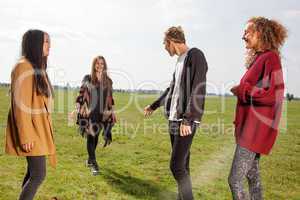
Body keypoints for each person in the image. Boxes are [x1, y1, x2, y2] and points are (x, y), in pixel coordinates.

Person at [144, 26, 208, 200]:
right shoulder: (179, 60)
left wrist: (187, 120)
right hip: (174, 120)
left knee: (176, 166)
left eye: (165, 44)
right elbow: (171, 89)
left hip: (185, 121)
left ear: (171, 41)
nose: (165, 48)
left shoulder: (195, 55)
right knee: (183, 166)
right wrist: (154, 105)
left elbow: (198, 88)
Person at [228, 17, 287, 200]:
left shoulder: (271, 58)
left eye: (247, 32)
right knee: (253, 177)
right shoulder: (260, 58)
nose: (243, 36)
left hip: (255, 131)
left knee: (234, 180)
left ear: (259, 33)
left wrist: (242, 89)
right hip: (249, 129)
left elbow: (273, 94)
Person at [5, 29, 56, 200]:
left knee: (33, 173)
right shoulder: (23, 67)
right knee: (38, 174)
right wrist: (26, 136)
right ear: (35, 44)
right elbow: (20, 106)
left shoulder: (37, 68)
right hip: (32, 132)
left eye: (49, 41)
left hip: (39, 130)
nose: (49, 45)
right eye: (45, 42)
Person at [76, 55, 116, 176]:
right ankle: (94, 164)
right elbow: (81, 93)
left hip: (102, 114)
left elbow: (110, 98)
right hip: (89, 113)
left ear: (104, 66)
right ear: (94, 65)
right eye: (97, 63)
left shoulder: (108, 81)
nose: (99, 66)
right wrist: (78, 106)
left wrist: (112, 112)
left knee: (96, 137)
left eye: (102, 64)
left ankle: (89, 159)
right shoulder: (87, 78)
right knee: (91, 136)